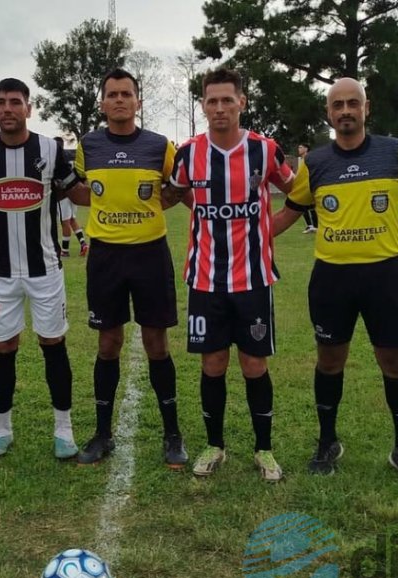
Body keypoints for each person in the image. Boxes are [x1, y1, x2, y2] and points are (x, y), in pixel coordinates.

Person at [272, 77, 398, 487]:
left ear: (367, 108)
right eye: (337, 105)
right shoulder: (313, 163)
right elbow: (289, 213)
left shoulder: (393, 151)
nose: (345, 111)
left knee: (395, 362)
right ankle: (327, 442)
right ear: (328, 114)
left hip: (385, 275)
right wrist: (242, 233)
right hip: (332, 278)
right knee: (330, 361)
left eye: (353, 103)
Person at [168, 68, 295, 482]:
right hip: (205, 280)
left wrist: (268, 229)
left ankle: (264, 449)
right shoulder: (188, 153)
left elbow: (298, 194)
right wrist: (200, 212)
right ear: (202, 106)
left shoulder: (265, 150)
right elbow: (177, 191)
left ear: (242, 102)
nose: (219, 108)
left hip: (253, 280)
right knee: (213, 363)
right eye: (212, 101)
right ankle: (214, 445)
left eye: (227, 100)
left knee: (254, 365)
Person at [72, 68, 188, 468]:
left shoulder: (160, 146)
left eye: (126, 94)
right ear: (102, 102)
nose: (119, 100)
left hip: (149, 254)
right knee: (108, 344)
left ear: (138, 101)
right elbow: (78, 188)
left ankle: (173, 434)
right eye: (112, 94)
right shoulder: (88, 145)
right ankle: (103, 434)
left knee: (157, 343)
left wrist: (155, 205)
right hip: (106, 255)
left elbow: (177, 188)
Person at [0, 78, 84, 460]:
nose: (7, 109)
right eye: (0, 102)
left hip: (45, 269)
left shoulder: (51, 149)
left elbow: (76, 192)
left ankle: (63, 429)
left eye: (15, 102)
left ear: (28, 108)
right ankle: (2, 429)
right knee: (3, 348)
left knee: (53, 344)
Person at [54, 136, 88, 257]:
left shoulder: (55, 157)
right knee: (72, 220)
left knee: (65, 222)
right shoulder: (69, 155)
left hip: (62, 195)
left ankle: (65, 250)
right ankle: (83, 243)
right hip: (74, 192)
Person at [297, 144, 317, 233]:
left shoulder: (310, 159)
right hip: (304, 187)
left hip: (310, 186)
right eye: (298, 147)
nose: (299, 149)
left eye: (301, 147)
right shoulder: (301, 160)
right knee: (304, 207)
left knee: (312, 207)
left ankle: (315, 226)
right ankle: (310, 226)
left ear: (306, 149)